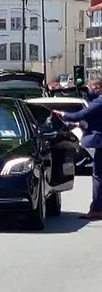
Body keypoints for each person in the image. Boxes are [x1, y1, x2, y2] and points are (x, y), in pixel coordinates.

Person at [54, 79, 102, 221]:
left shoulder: (99, 101)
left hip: (99, 141)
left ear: (98, 87)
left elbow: (80, 115)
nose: (89, 90)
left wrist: (62, 114)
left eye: (91, 87)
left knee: (98, 175)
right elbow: (91, 120)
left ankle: (97, 209)